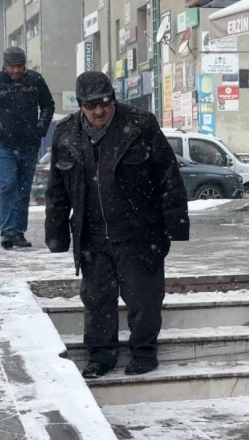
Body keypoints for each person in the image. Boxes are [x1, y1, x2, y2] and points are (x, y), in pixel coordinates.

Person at [45, 71, 189, 379]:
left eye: (105, 102)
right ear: (80, 105)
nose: (99, 111)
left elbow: (168, 175)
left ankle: (143, 351)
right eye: (90, 105)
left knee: (144, 296)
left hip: (139, 231)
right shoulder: (66, 134)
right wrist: (56, 233)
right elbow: (58, 189)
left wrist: (175, 223)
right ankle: (100, 356)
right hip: (92, 233)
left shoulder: (140, 124)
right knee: (97, 299)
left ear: (114, 98)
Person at [0, 46, 55, 249]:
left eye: (20, 66)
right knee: (8, 184)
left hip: (29, 143)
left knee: (24, 189)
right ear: (4, 66)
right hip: (3, 144)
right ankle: (7, 231)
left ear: (25, 66)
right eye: (12, 67)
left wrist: (41, 128)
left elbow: (48, 105)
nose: (16, 71)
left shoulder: (35, 81)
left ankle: (18, 232)